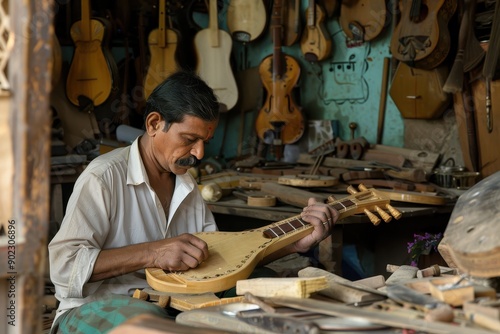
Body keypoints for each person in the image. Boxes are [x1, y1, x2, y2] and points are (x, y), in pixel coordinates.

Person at [48, 70, 339, 333]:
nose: (199, 153)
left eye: (205, 142)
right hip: (96, 309)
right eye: (189, 139)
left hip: (176, 302)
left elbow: (221, 265)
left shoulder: (186, 184)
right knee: (149, 322)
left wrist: (296, 243)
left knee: (270, 290)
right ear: (153, 124)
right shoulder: (103, 177)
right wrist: (154, 253)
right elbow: (63, 267)